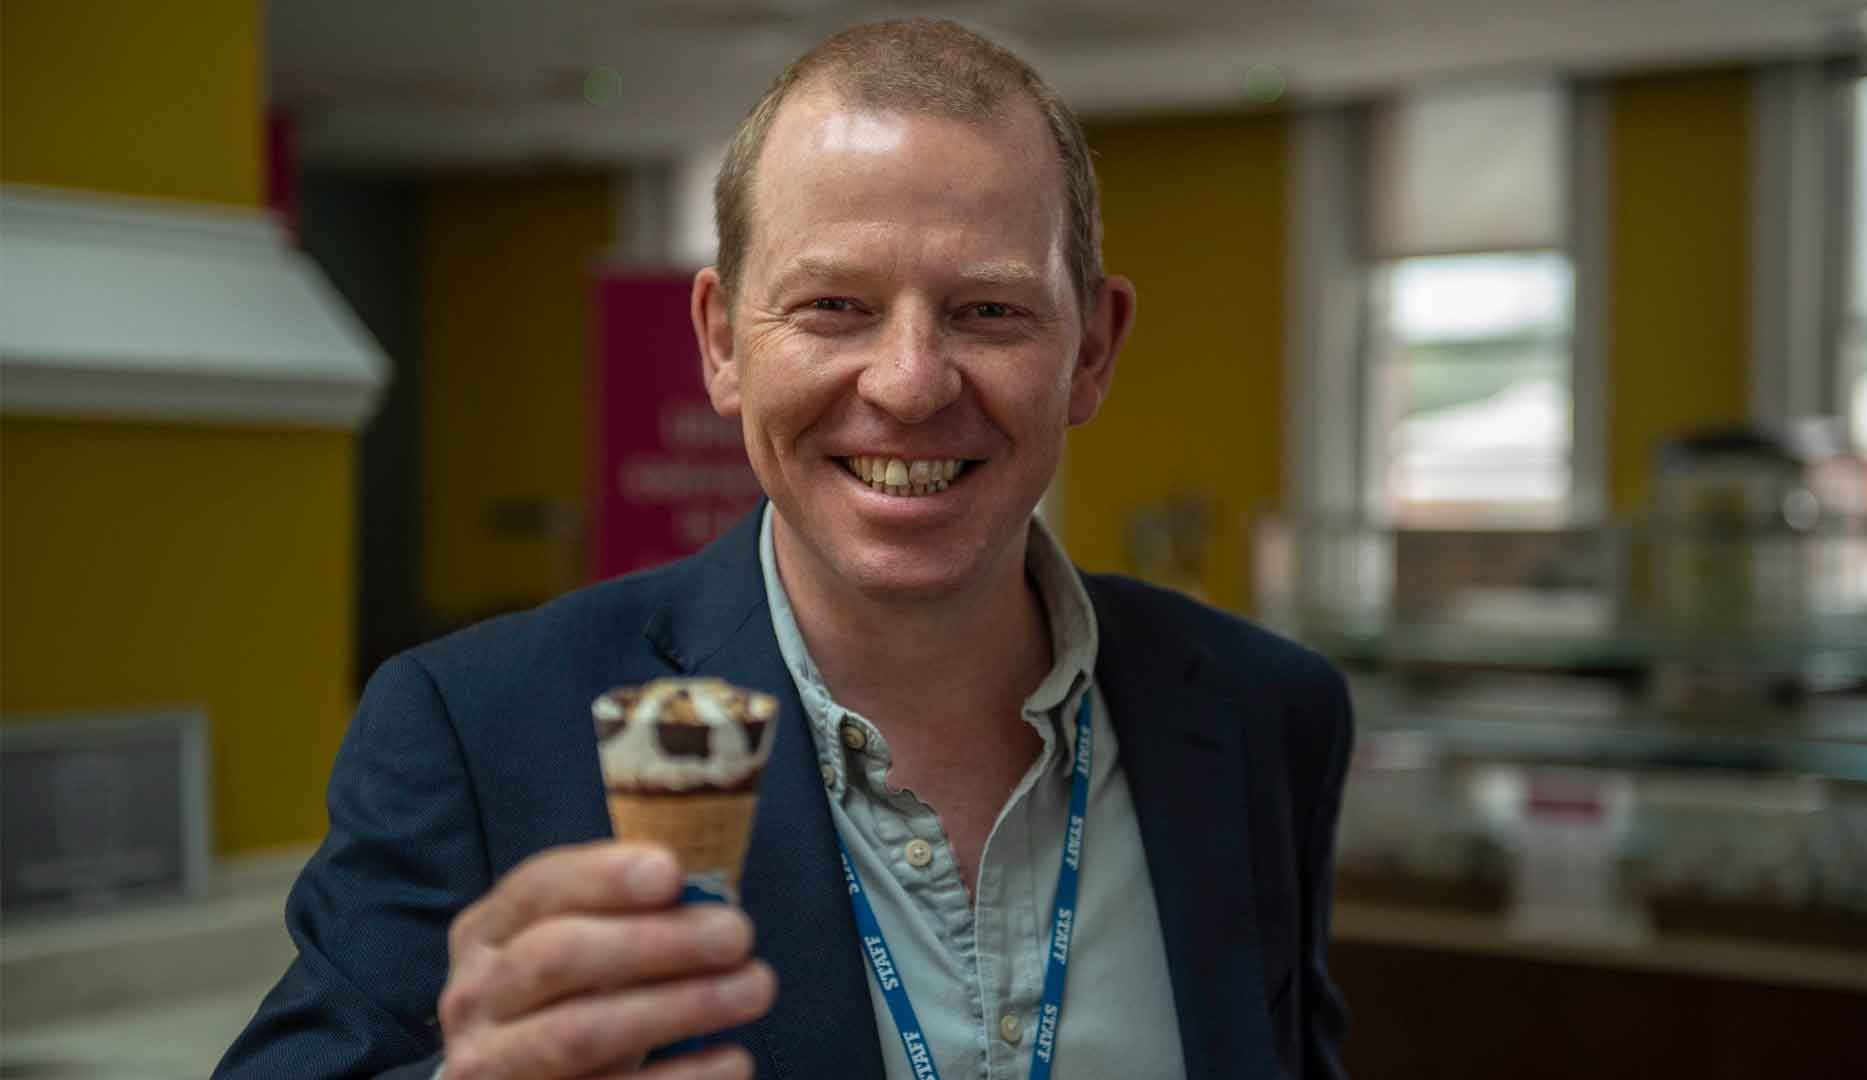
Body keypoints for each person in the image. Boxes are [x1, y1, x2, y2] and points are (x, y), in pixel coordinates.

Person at [218, 17, 1351, 1080]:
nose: (909, 384)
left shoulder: (1266, 716)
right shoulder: (479, 734)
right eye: (833, 307)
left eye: (989, 312)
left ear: (1093, 350)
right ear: (721, 342)